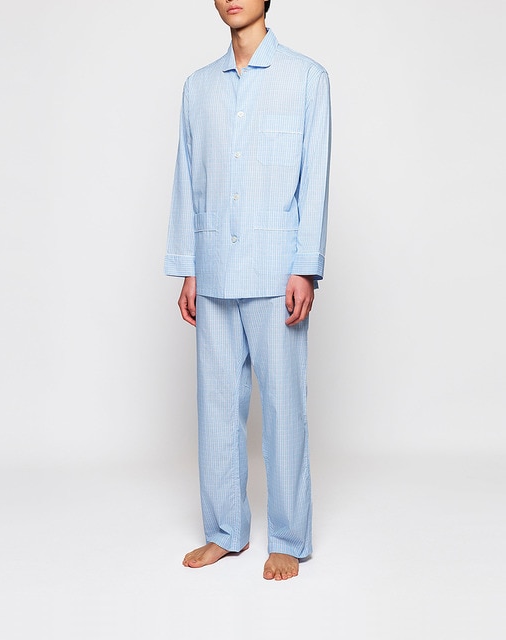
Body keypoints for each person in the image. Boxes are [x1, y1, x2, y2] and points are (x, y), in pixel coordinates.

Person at [164, 0, 331, 580]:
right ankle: (224, 531)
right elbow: (187, 178)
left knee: (284, 409)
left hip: (276, 269)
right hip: (213, 266)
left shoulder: (306, 78)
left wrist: (305, 267)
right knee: (215, 407)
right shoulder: (198, 87)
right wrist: (188, 266)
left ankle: (288, 537)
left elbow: (315, 179)